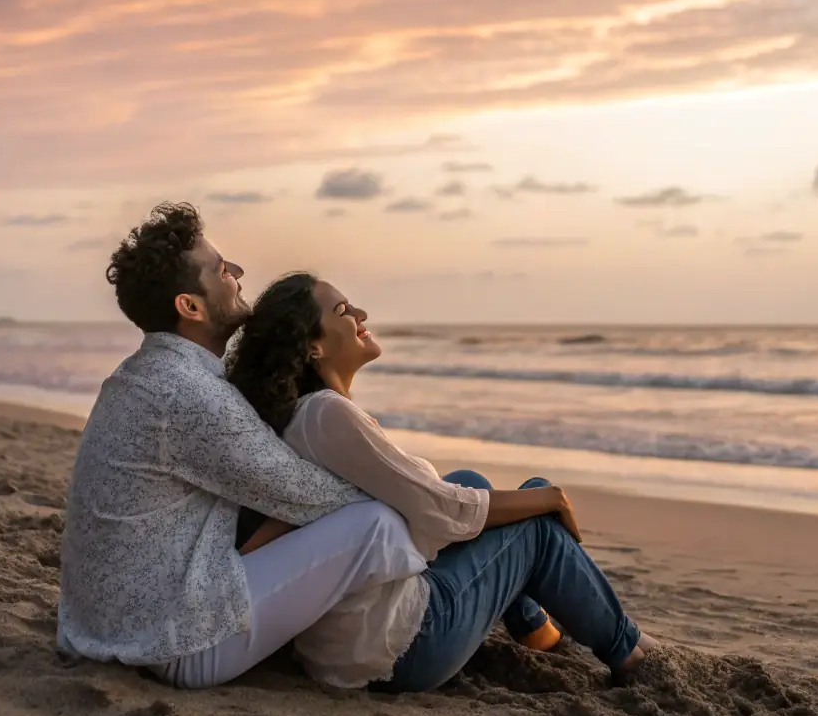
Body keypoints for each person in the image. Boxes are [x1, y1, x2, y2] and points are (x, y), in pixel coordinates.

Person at [57, 204, 428, 690]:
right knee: (377, 522)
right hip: (170, 644)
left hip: (110, 626)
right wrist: (391, 468)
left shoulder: (141, 377)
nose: (237, 275)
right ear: (190, 306)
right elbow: (322, 499)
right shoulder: (190, 395)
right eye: (221, 269)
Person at [226, 273, 656, 692]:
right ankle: (628, 650)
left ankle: (535, 628)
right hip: (403, 647)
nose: (360, 313)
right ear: (313, 346)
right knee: (537, 525)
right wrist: (549, 497)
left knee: (472, 483)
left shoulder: (311, 415)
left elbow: (424, 501)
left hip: (349, 637)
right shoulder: (327, 416)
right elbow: (442, 510)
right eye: (342, 310)